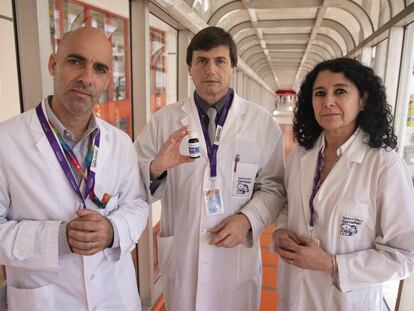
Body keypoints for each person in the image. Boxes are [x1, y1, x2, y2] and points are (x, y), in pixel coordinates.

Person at [135, 26, 285, 311]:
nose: (210, 70)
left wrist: (248, 219)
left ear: (233, 68)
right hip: (184, 256)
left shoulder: (261, 123)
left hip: (236, 256)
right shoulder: (163, 122)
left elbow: (274, 186)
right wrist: (156, 169)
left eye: (220, 61)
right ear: (189, 68)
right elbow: (134, 179)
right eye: (202, 61)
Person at [0, 27, 148, 311]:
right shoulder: (6, 141)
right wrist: (57, 238)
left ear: (107, 79)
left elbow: (137, 205)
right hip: (47, 300)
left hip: (115, 297)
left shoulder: (120, 142)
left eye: (99, 69)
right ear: (54, 64)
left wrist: (112, 229)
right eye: (75, 61)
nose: (86, 78)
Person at [273, 57, 414, 310]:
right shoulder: (301, 154)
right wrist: (280, 231)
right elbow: (289, 204)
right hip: (294, 294)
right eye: (319, 93)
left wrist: (331, 264)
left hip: (346, 301)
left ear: (363, 100)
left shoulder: (384, 165)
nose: (328, 102)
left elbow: (405, 255)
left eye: (340, 91)